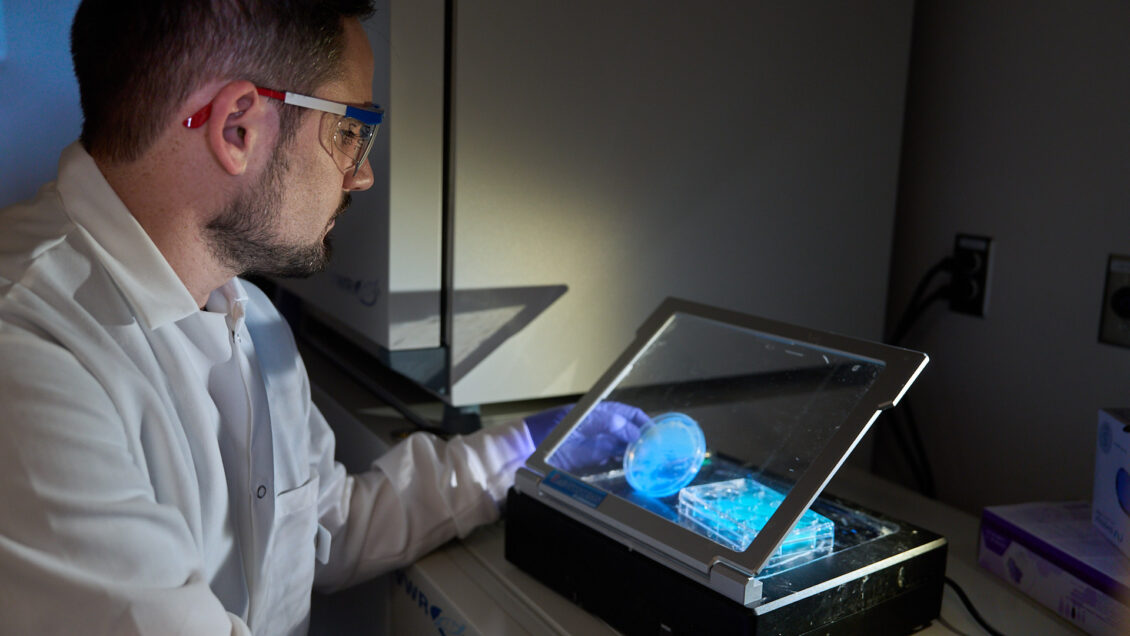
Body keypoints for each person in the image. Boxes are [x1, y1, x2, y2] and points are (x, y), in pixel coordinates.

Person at [0, 1, 646, 634]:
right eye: (349, 131)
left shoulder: (247, 315)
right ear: (237, 129)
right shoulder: (29, 350)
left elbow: (324, 531)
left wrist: (522, 448)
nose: (361, 174)